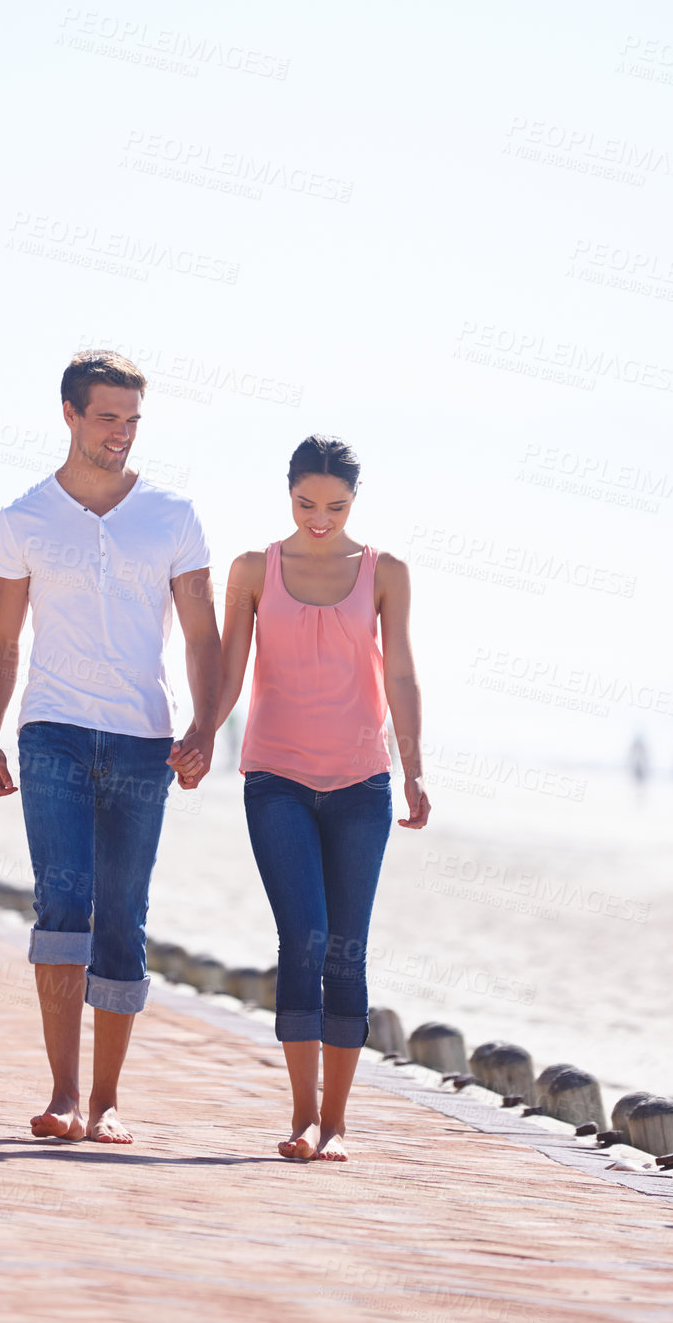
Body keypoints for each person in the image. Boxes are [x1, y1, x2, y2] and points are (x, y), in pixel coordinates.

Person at [0, 350, 220, 1144]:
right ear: (71, 415)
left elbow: (202, 636)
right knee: (63, 905)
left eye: (133, 419)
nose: (123, 433)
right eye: (108, 417)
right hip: (53, 731)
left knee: (123, 915)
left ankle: (109, 1100)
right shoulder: (23, 519)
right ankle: (63, 1094)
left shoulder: (173, 516)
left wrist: (204, 727)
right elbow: (3, 641)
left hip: (144, 738)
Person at [212, 434, 429, 1162]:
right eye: (306, 503)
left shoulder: (384, 572)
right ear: (289, 493)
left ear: (354, 502)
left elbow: (400, 674)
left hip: (362, 785)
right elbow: (229, 672)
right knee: (301, 938)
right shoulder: (251, 570)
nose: (319, 517)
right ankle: (303, 1115)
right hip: (275, 777)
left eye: (335, 506)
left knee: (347, 950)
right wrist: (199, 735)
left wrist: (416, 768)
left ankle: (337, 1121)